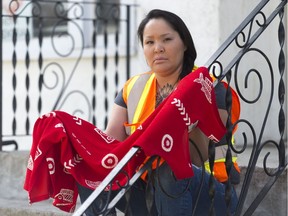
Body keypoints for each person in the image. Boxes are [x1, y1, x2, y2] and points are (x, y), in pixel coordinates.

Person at [77, 9, 239, 216]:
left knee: (169, 165)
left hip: (210, 196)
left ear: (185, 43)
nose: (158, 48)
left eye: (167, 39)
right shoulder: (132, 88)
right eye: (149, 42)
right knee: (88, 166)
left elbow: (200, 152)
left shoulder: (209, 88)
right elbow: (112, 146)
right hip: (149, 194)